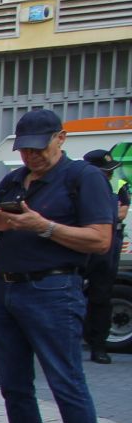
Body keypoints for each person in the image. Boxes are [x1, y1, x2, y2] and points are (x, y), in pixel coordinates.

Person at [0, 109, 115, 423]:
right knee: (14, 384)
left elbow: (100, 240)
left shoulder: (83, 178)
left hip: (54, 290)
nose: (31, 156)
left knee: (66, 383)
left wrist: (44, 227)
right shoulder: (13, 180)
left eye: (38, 148)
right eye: (25, 149)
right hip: (6, 291)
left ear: (60, 139)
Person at [79, 148, 128, 365]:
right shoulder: (78, 184)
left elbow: (121, 212)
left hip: (109, 241)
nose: (109, 175)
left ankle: (98, 346)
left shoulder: (117, 185)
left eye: (110, 171)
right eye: (105, 171)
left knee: (101, 295)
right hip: (81, 239)